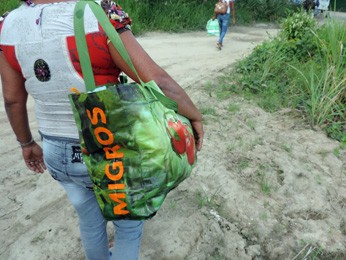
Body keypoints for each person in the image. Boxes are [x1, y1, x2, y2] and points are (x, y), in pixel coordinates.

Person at [0, 0, 204, 259]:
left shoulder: (7, 26)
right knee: (128, 227)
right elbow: (158, 81)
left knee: (89, 219)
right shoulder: (97, 14)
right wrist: (195, 116)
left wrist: (26, 143)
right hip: (108, 147)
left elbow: (13, 100)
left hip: (56, 153)